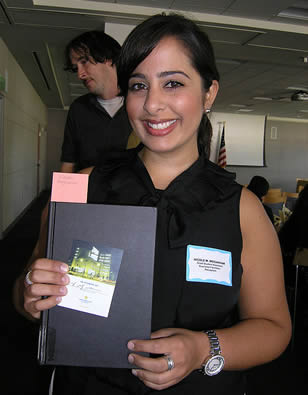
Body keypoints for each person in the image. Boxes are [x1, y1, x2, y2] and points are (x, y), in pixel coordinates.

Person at [14, 13, 291, 394]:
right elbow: (26, 288)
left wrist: (201, 348)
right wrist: (30, 291)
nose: (153, 105)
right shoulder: (81, 186)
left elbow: (274, 328)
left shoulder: (241, 207)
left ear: (209, 92)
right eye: (139, 85)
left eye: (173, 83)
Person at [61, 30, 139, 173]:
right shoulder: (78, 109)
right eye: (75, 68)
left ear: (107, 57)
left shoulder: (141, 102)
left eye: (84, 62)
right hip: (89, 194)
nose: (80, 74)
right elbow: (68, 165)